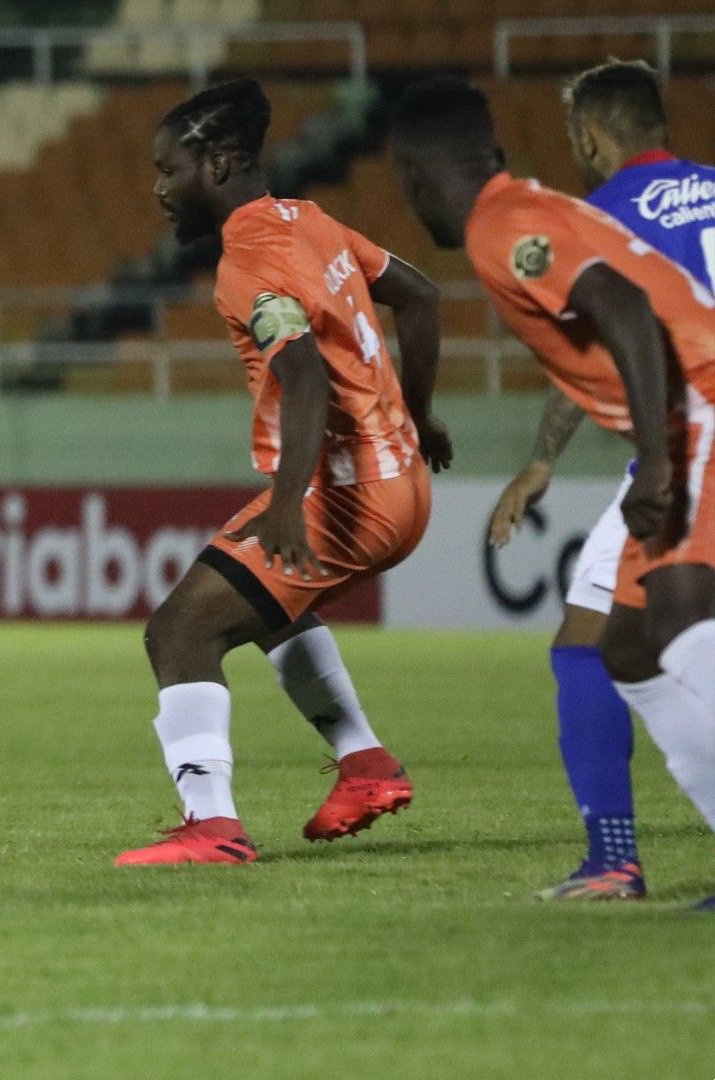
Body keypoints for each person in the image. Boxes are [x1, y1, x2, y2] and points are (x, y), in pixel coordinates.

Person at [391, 76, 715, 910]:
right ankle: (620, 859)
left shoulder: (512, 227)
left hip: (697, 412)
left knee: (676, 617)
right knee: (631, 649)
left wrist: (659, 460)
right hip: (681, 418)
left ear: (416, 178)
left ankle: (614, 858)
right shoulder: (550, 209)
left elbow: (626, 310)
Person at [116, 79, 452, 867]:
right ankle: (365, 765)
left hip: (346, 495)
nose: (160, 189)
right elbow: (422, 297)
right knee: (278, 609)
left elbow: (305, 377)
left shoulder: (249, 262)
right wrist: (424, 414)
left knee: (180, 631)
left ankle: (212, 826)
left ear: (223, 165)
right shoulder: (313, 222)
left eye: (171, 170)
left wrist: (291, 502)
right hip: (404, 483)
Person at [485, 60, 715, 900]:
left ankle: (613, 857)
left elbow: (600, 343)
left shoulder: (602, 217)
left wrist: (543, 459)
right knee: (630, 642)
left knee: (586, 646)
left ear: (589, 134)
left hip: (692, 438)